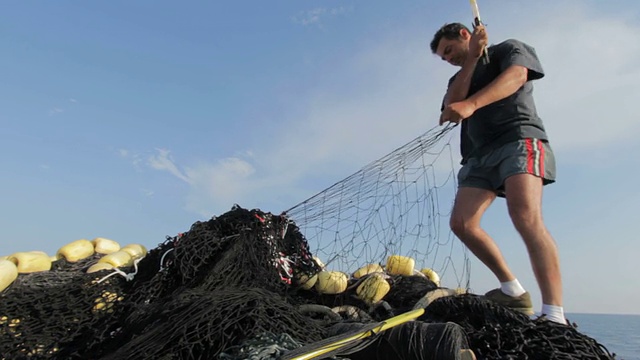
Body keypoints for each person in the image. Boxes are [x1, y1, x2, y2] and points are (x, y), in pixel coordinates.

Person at [430, 22, 566, 324]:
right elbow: (451, 109)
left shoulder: (509, 49)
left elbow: (517, 76)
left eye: (449, 50)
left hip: (519, 139)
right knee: (462, 223)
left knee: (525, 215)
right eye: (443, 58)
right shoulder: (458, 76)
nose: (448, 59)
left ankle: (554, 312)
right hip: (478, 157)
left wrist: (473, 103)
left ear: (464, 34)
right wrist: (472, 59)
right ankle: (512, 289)